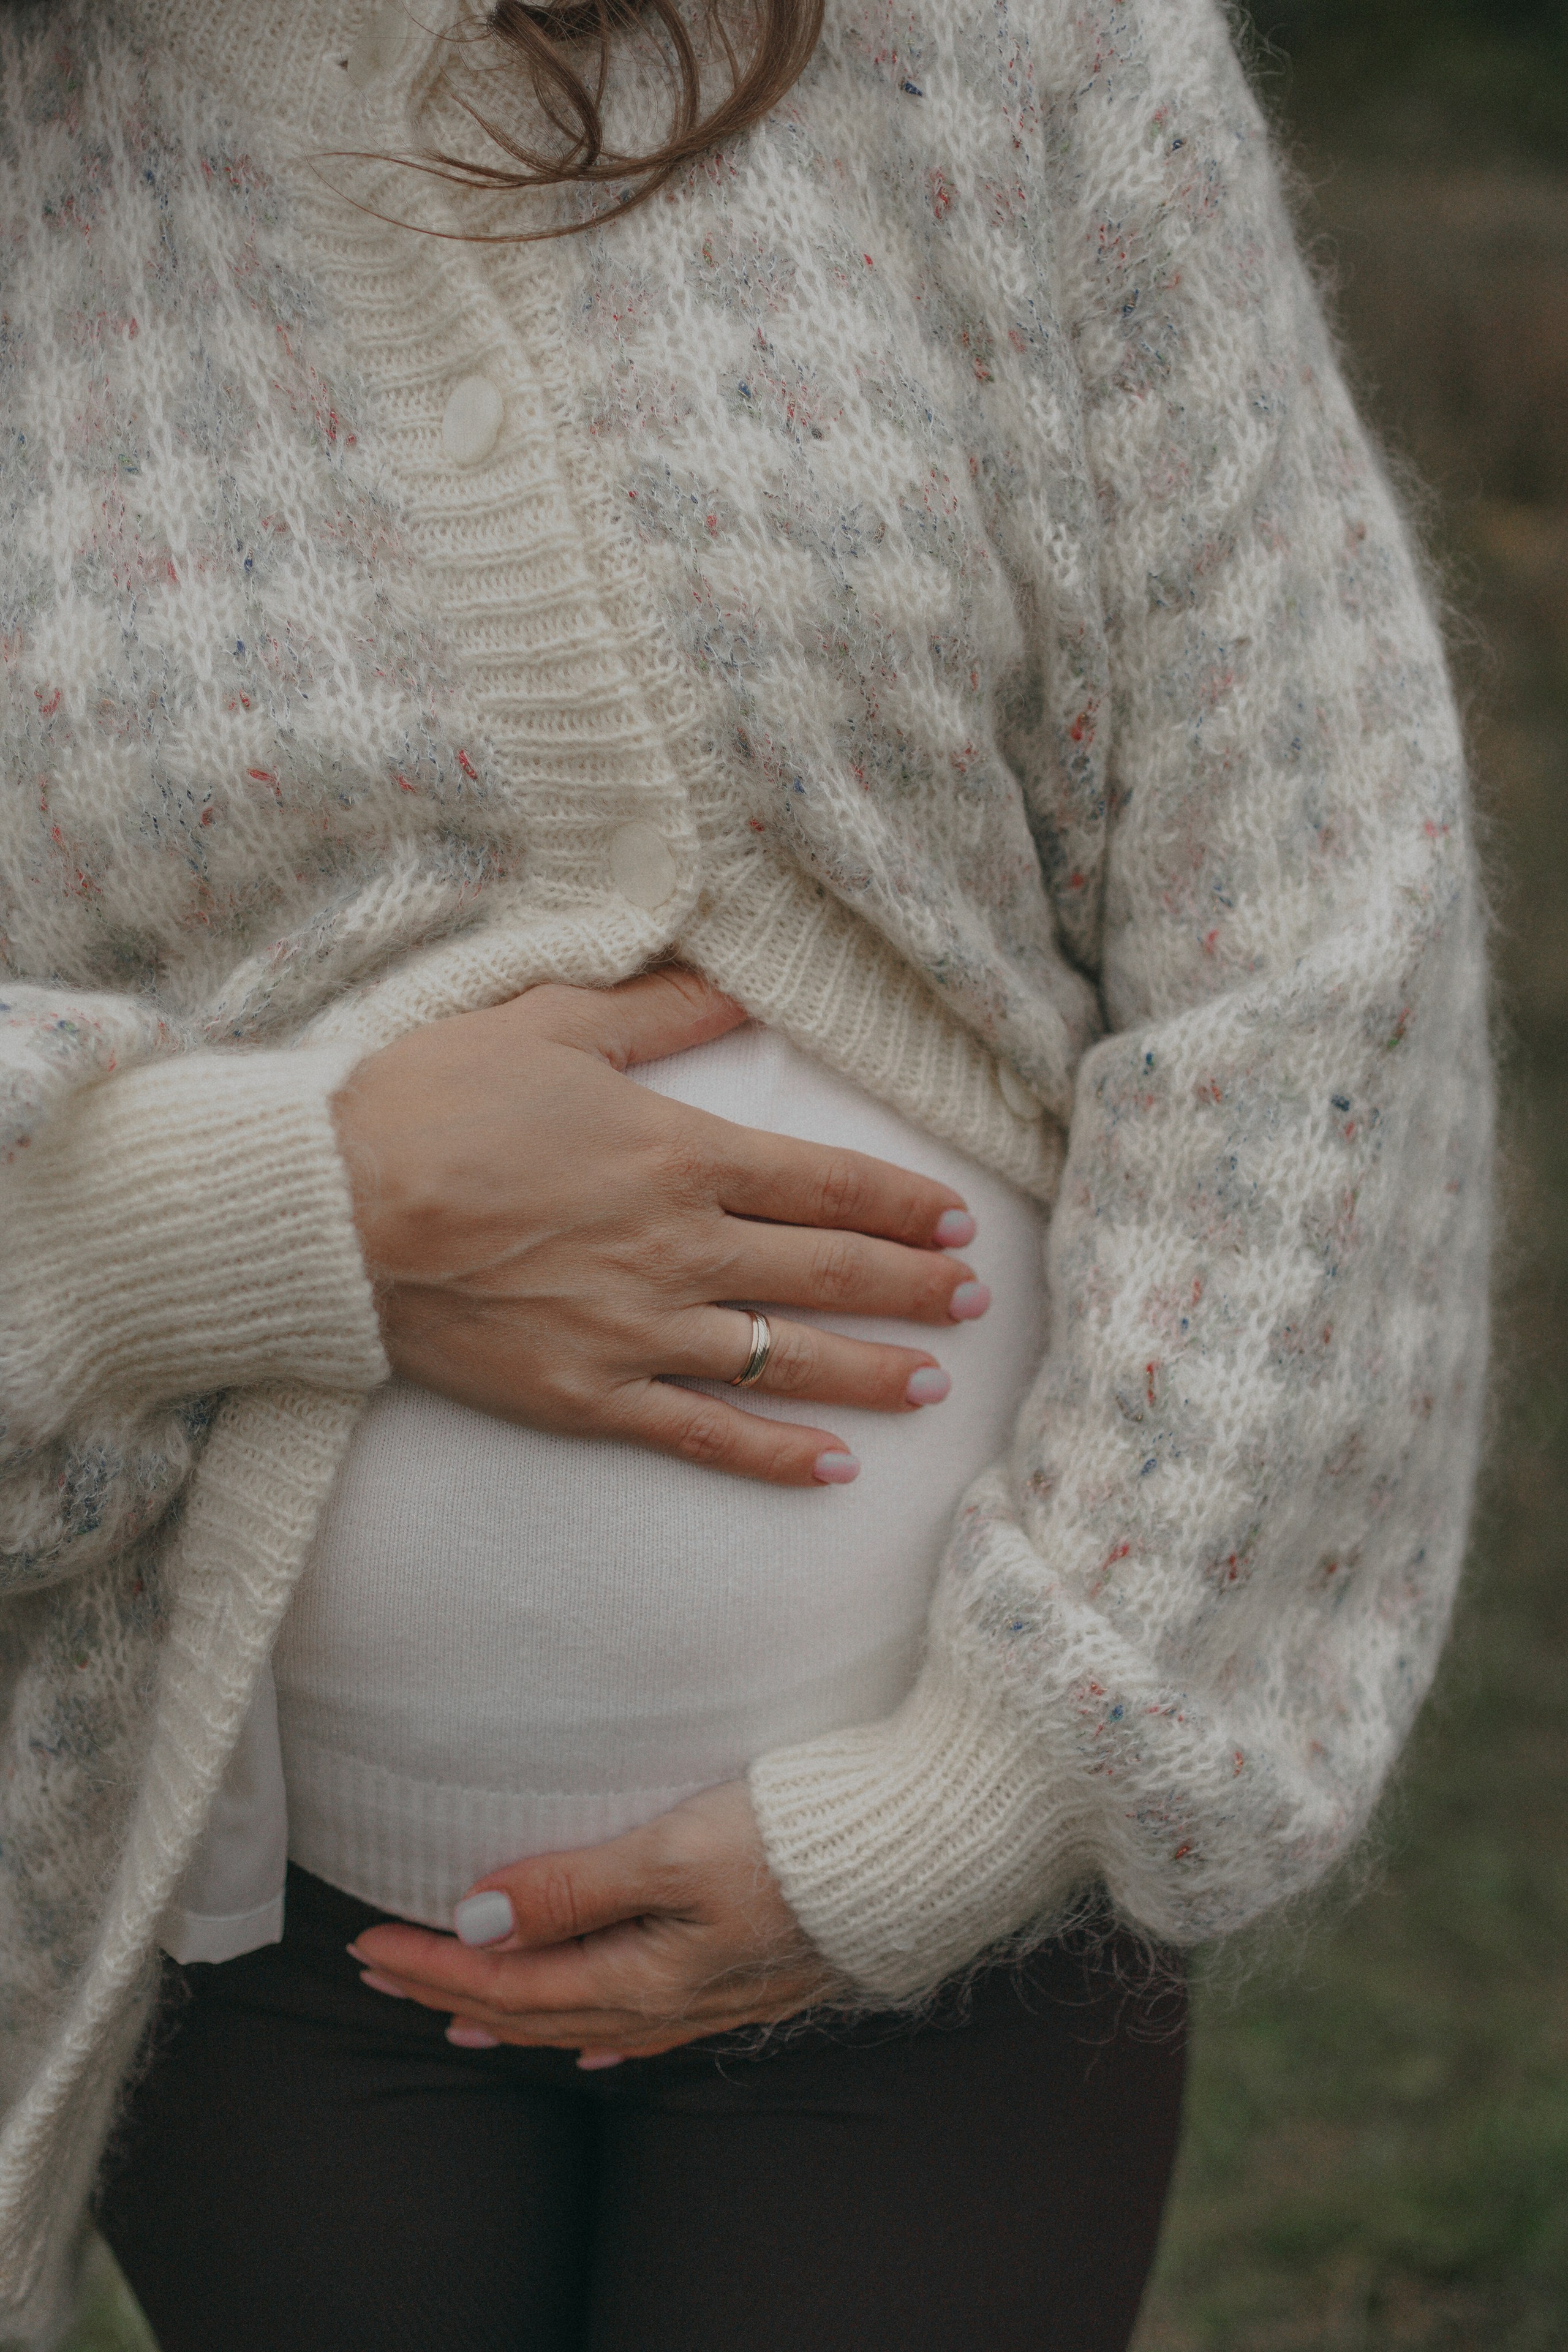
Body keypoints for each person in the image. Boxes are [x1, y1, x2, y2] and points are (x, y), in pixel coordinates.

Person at [0, 0, 1491, 2340]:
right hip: (256, 1948)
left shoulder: (1027, 61)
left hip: (955, 1940)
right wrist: (269, 1209)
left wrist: (1002, 1790)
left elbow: (1322, 940)